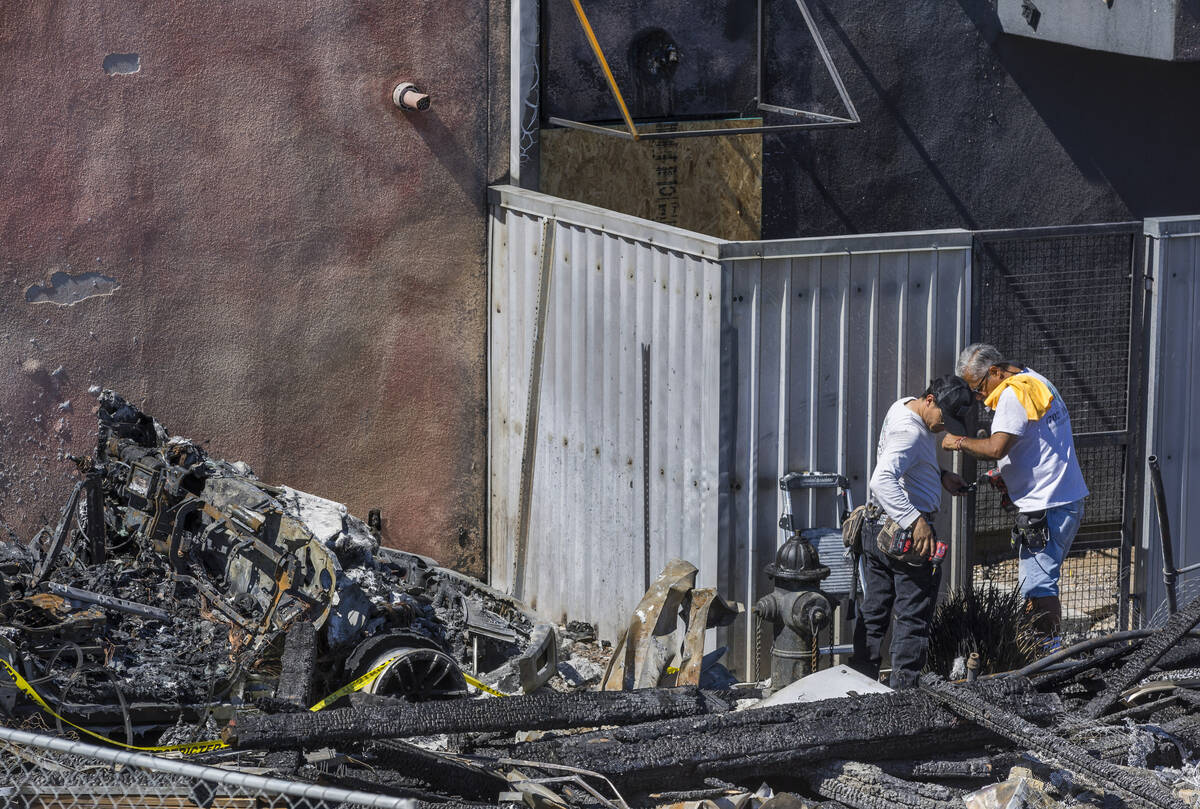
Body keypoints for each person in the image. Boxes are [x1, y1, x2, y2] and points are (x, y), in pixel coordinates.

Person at [941, 343, 1088, 638]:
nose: (979, 396)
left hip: (1045, 506)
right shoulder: (1034, 380)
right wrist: (1006, 474)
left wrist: (958, 441)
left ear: (995, 371)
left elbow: (996, 447)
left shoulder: (1012, 393)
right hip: (1062, 499)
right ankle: (1044, 652)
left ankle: (1048, 658)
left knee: (1037, 588)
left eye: (978, 388)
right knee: (1038, 584)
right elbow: (1038, 445)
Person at [849, 375, 972, 689]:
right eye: (943, 418)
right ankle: (903, 697)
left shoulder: (905, 407)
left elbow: (906, 465)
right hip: (904, 535)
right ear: (930, 399)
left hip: (877, 527)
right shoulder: (911, 431)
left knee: (874, 612)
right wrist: (915, 521)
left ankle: (859, 687)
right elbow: (882, 480)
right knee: (912, 617)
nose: (943, 427)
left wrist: (940, 474)